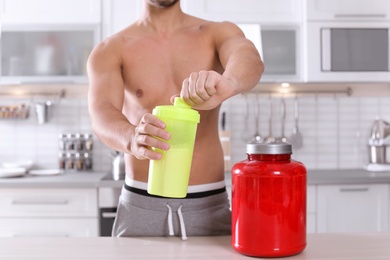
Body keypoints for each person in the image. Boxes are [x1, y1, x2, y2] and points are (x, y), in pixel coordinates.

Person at [87, 0, 264, 239]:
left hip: (208, 204)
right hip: (141, 204)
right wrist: (131, 138)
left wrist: (229, 83)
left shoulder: (216, 33)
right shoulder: (111, 48)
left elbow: (248, 56)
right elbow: (101, 112)